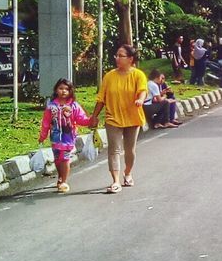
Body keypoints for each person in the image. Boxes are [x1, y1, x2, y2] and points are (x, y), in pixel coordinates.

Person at [91, 44, 149, 194]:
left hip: (132, 117)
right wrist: (94, 116)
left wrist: (140, 100)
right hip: (113, 117)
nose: (117, 58)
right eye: (116, 55)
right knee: (114, 150)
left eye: (121, 56)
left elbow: (142, 91)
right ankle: (115, 181)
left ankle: (128, 173)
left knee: (130, 150)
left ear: (130, 59)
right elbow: (101, 98)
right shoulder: (109, 76)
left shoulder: (138, 75)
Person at [38, 78, 91, 193]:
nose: (63, 91)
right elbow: (46, 122)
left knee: (65, 159)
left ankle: (64, 181)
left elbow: (81, 119)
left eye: (66, 89)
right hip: (55, 138)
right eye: (61, 88)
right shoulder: (51, 106)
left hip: (68, 138)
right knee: (57, 159)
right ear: (56, 90)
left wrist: (90, 121)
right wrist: (43, 135)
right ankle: (60, 177)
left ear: (70, 91)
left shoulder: (74, 106)